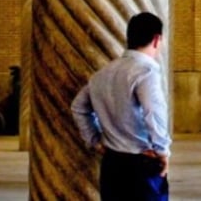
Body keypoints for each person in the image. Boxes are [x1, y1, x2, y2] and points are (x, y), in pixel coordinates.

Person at [72, 12, 171, 201]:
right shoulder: (146, 71)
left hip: (112, 163)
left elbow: (78, 107)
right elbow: (153, 111)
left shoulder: (102, 73)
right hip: (142, 164)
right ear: (157, 39)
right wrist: (162, 150)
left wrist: (95, 140)